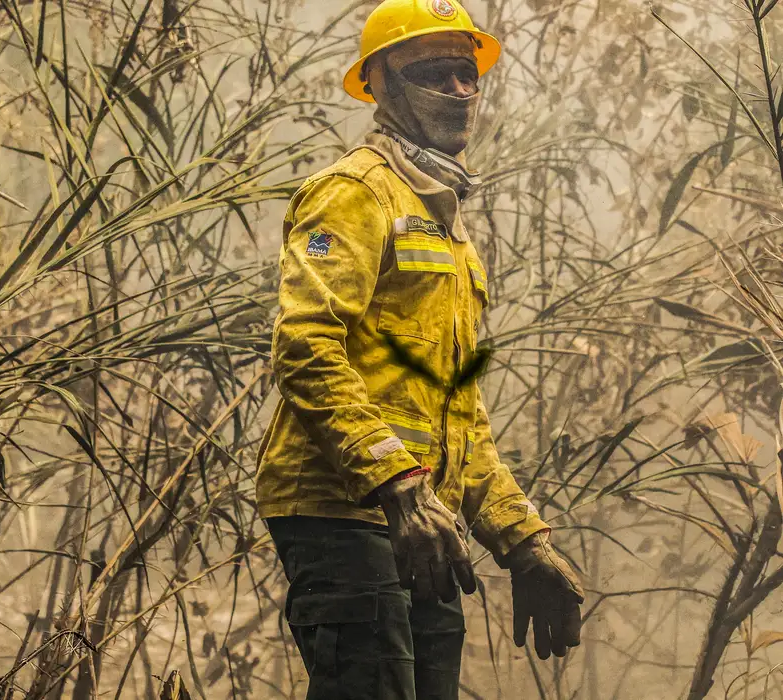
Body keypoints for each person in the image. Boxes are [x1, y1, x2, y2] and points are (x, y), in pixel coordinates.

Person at [255, 1, 585, 697]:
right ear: (381, 84)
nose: (461, 92)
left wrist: (524, 542)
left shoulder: (448, 225)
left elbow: (459, 415)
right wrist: (398, 485)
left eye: (468, 75)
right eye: (436, 74)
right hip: (343, 510)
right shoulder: (352, 195)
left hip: (423, 522)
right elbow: (305, 346)